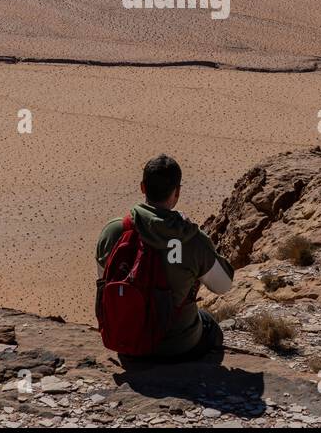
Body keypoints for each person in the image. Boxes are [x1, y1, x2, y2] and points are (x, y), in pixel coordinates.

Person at [95, 154, 234, 360]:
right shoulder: (192, 239)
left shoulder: (114, 231)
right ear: (177, 192)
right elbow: (223, 286)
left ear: (143, 187)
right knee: (209, 324)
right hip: (178, 346)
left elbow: (103, 281)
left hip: (126, 342)